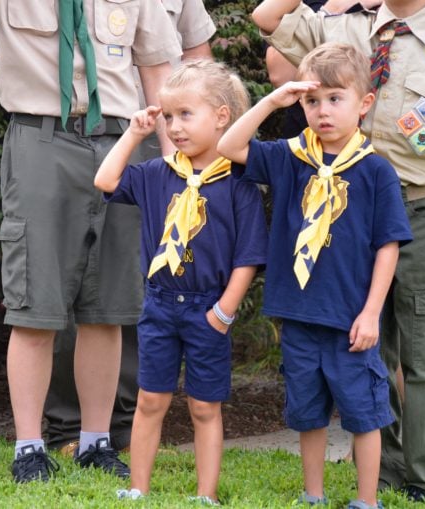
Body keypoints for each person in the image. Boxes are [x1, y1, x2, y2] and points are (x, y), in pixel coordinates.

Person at [252, 0, 425, 502]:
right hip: (344, 219)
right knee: (368, 346)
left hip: (420, 209)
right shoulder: (343, 25)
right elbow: (267, 19)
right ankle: (388, 469)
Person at [0, 0, 182, 483]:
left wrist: (175, 167)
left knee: (107, 305)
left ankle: (94, 441)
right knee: (34, 301)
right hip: (42, 139)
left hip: (124, 141)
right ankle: (28, 446)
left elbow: (158, 72)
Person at [218, 42, 412, 509]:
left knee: (364, 413)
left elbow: (387, 248)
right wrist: (272, 100)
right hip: (299, 313)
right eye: (312, 100)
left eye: (335, 99)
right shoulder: (289, 157)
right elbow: (228, 146)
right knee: (307, 413)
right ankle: (314, 495)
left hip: (350, 320)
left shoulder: (375, 171)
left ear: (364, 104)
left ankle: (368, 500)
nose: (322, 111)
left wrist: (371, 313)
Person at [44, 0, 218, 455]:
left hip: (165, 147)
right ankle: (67, 424)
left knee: (133, 290)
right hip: (121, 135)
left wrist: (193, 155)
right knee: (79, 286)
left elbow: (200, 60)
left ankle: (124, 422)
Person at [95, 59, 267, 504]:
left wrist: (222, 313)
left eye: (185, 114)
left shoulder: (239, 184)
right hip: (159, 305)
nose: (173, 126)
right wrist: (135, 134)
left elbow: (248, 257)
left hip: (209, 307)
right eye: (168, 116)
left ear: (222, 117)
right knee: (150, 401)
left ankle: (205, 494)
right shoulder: (157, 175)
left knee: (204, 406)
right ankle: (137, 487)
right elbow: (105, 179)